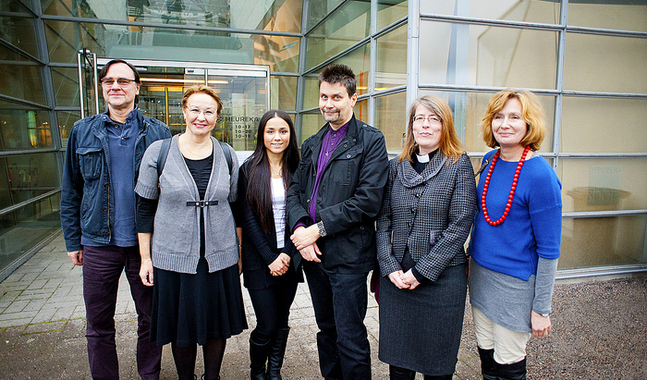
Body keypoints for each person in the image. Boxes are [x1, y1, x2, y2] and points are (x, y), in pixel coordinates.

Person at [60, 59, 171, 379]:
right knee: (97, 324)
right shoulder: (82, 131)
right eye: (109, 81)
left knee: (150, 319)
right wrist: (72, 240)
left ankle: (149, 375)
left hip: (146, 246)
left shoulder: (159, 133)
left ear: (137, 88)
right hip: (97, 242)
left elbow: (170, 191)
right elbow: (71, 190)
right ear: (102, 88)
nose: (115, 86)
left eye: (123, 81)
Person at [135, 85, 247, 380]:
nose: (201, 117)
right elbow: (144, 209)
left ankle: (212, 377)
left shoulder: (227, 154)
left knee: (216, 324)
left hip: (218, 257)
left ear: (217, 117)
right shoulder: (158, 152)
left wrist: (238, 251)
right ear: (183, 112)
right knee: (180, 326)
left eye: (209, 111)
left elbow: (236, 207)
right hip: (173, 258)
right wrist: (145, 259)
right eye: (195, 110)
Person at [286, 64, 389, 380]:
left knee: (350, 335)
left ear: (353, 98)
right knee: (326, 330)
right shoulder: (314, 141)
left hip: (349, 257)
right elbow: (296, 191)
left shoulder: (370, 141)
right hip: (314, 256)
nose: (328, 103)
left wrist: (318, 229)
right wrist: (301, 228)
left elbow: (368, 200)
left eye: (336, 96)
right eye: (323, 96)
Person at [376, 95, 477, 380]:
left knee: (437, 365)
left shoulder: (458, 165)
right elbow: (383, 219)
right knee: (399, 363)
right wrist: (389, 265)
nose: (425, 125)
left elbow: (460, 225)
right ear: (411, 125)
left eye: (434, 119)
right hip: (397, 278)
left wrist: (421, 272)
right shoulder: (395, 166)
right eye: (419, 118)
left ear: (445, 126)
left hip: (442, 280)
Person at [468, 89, 562, 380]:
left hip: (515, 288)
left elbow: (549, 251)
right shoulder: (489, 159)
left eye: (514, 117)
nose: (504, 124)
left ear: (529, 124)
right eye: (498, 116)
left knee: (508, 366)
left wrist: (541, 309)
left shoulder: (540, 176)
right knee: (487, 357)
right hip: (481, 279)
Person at [236, 110, 302, 380]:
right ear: (262, 135)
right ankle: (257, 373)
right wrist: (269, 257)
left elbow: (303, 213)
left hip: (290, 256)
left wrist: (286, 254)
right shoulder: (248, 169)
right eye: (271, 131)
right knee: (266, 323)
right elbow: (246, 216)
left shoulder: (299, 168)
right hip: (258, 259)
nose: (277, 137)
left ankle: (274, 371)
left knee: (282, 321)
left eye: (283, 131)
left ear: (290, 135)